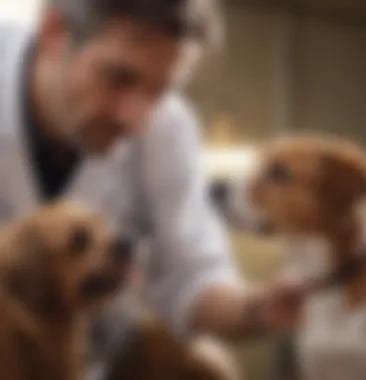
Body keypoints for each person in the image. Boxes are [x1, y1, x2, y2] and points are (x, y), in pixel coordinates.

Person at [0, 0, 305, 378]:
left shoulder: (167, 129)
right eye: (119, 78)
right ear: (53, 33)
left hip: (95, 361)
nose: (136, 117)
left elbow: (191, 274)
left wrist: (261, 307)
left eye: (159, 91)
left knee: (208, 366)